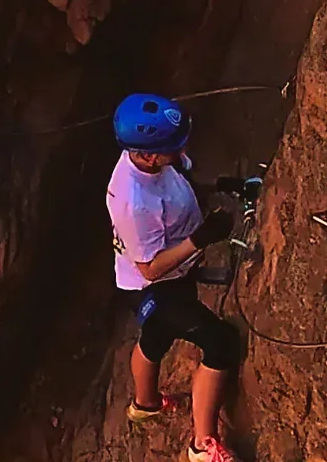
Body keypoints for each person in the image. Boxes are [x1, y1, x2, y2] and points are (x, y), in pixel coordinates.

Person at [107, 93, 242, 462]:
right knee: (222, 344)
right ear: (148, 155)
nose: (182, 148)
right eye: (174, 144)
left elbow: (181, 177)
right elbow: (150, 268)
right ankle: (202, 445)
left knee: (156, 336)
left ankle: (145, 403)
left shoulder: (152, 158)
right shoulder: (134, 203)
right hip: (154, 285)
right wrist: (199, 239)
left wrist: (225, 185)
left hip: (175, 273)